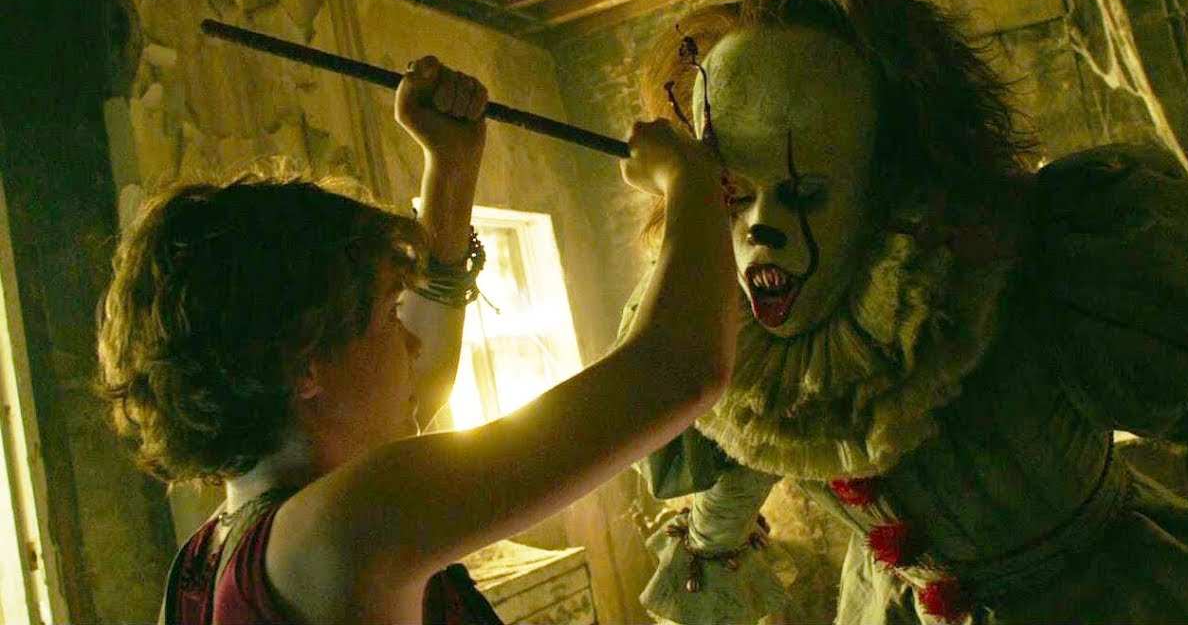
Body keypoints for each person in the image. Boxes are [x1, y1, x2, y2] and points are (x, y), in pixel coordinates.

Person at [621, 0, 1188, 624]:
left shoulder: (1012, 266)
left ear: (885, 178)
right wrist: (702, 558)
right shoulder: (746, 358)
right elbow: (736, 487)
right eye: (730, 196)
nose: (761, 228)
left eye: (806, 193)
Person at [95, 55, 737, 623]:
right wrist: (690, 177)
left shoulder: (203, 566)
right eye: (388, 317)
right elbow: (679, 370)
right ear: (304, 367)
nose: (411, 344)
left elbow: (418, 384)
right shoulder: (347, 526)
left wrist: (451, 165)